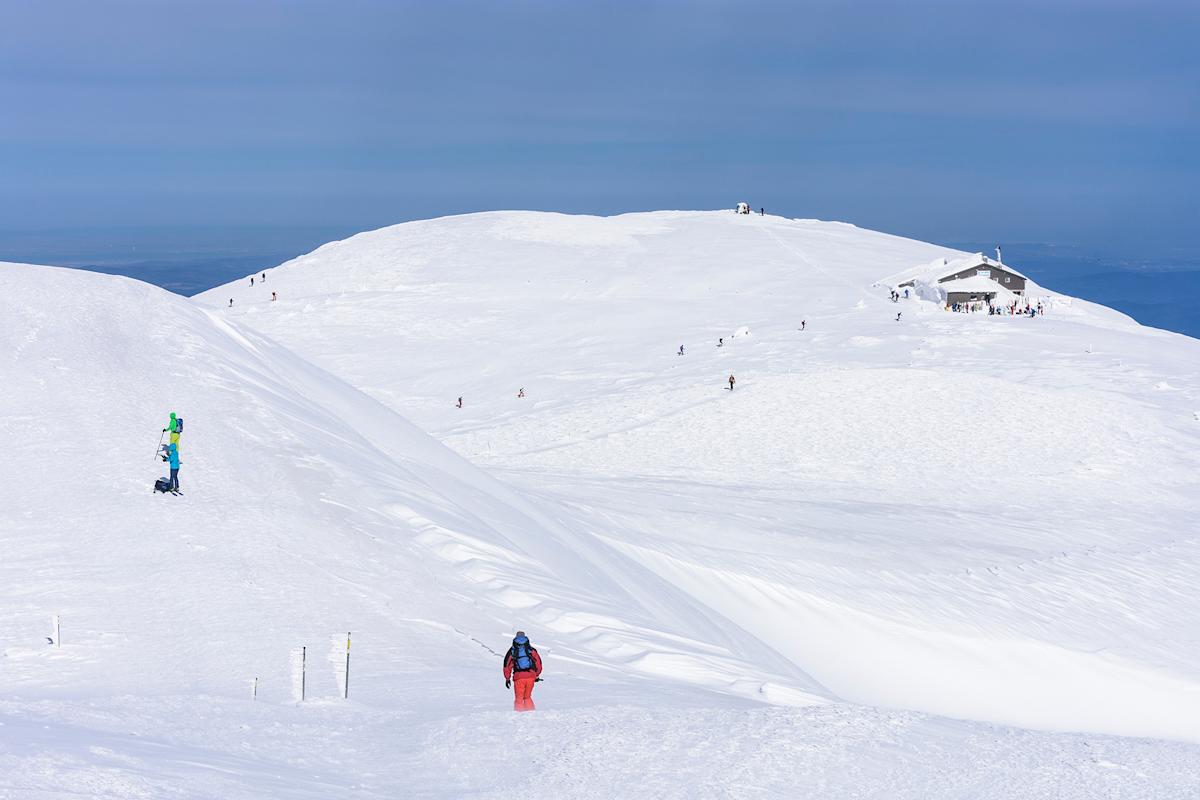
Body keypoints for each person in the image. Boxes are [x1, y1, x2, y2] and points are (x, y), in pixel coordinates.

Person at [503, 631, 543, 712]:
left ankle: (519, 717)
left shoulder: (513, 650)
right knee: (527, 697)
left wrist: (507, 678)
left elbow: (507, 665)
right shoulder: (530, 649)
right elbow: (538, 662)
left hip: (519, 677)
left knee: (519, 699)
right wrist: (537, 675)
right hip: (531, 677)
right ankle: (532, 715)